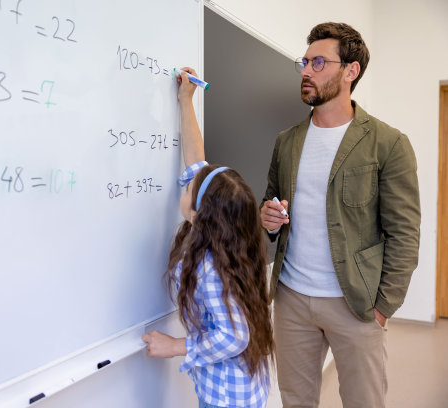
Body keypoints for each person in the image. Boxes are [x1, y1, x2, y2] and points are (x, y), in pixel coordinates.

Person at [260, 22, 420, 407]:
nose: (305, 71)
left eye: (318, 62)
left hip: (356, 303)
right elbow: (270, 203)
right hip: (291, 298)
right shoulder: (287, 141)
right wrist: (268, 218)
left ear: (351, 71)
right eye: (305, 61)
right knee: (295, 400)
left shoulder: (388, 143)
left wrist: (382, 309)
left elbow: (405, 235)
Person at [142, 68, 274, 408]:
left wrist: (174, 345)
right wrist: (186, 101)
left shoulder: (211, 266)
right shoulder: (231, 241)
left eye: (190, 189)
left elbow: (234, 335)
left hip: (228, 397)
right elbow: (196, 163)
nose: (187, 184)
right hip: (240, 389)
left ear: (199, 214)